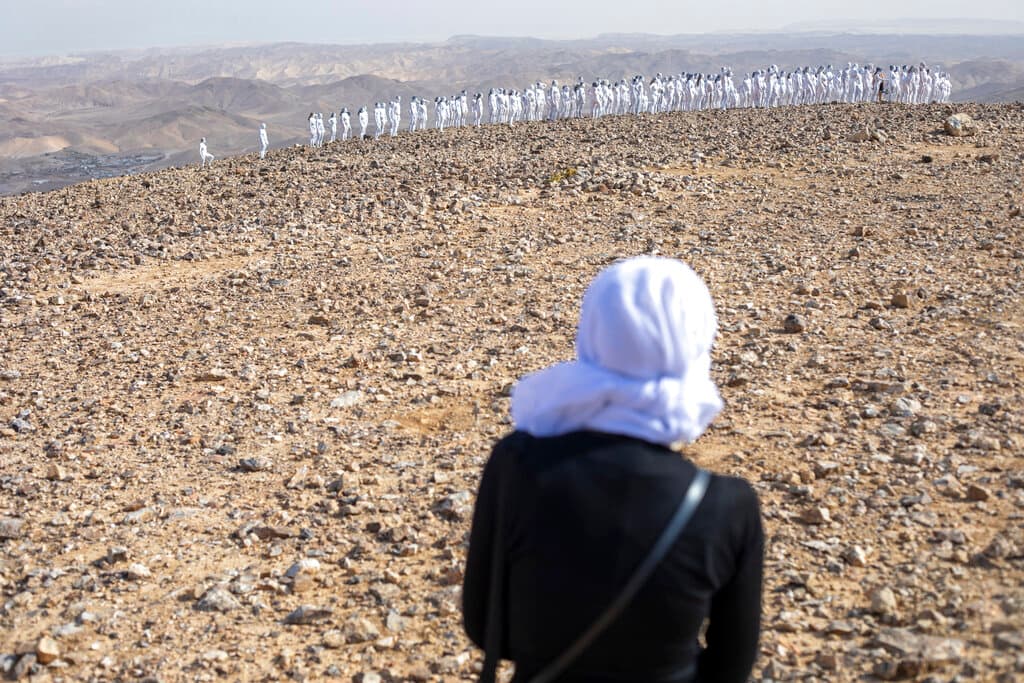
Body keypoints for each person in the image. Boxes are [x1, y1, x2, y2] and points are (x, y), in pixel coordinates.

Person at [463, 256, 764, 683]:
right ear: (697, 343)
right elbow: (730, 666)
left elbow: (486, 627)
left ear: (593, 333)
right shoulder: (726, 505)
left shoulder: (517, 463)